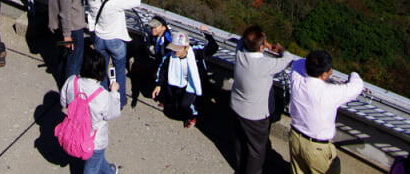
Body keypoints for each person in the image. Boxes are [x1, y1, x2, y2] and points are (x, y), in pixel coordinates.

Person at [231, 24, 294, 174]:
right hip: (255, 115)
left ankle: (240, 168)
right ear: (261, 48)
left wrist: (263, 43)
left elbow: (243, 39)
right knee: (256, 149)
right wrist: (279, 49)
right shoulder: (266, 64)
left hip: (237, 107)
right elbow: (288, 58)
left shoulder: (240, 52)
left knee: (240, 141)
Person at [289, 49, 365, 174]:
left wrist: (312, 63)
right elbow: (357, 86)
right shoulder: (330, 92)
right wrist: (353, 74)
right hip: (317, 148)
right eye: (329, 70)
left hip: (295, 138)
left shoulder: (296, 78)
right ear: (324, 75)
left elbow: (299, 62)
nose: (331, 72)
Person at [59, 47, 122, 174]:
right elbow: (113, 113)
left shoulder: (71, 82)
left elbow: (63, 102)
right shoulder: (102, 94)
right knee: (92, 166)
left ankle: (109, 171)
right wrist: (114, 93)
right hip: (95, 139)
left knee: (97, 160)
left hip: (75, 131)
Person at [85, 0, 140, 109]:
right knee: (119, 70)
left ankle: (102, 97)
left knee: (101, 70)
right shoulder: (115, 2)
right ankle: (119, 101)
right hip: (116, 41)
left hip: (99, 39)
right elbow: (136, 1)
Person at [152, 27, 219, 128]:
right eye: (174, 48)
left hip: (191, 84)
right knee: (174, 99)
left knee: (185, 105)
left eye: (178, 49)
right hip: (176, 83)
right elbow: (162, 69)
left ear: (186, 48)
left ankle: (192, 115)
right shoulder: (170, 57)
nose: (175, 52)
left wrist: (206, 33)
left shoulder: (196, 53)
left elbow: (213, 47)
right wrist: (158, 84)